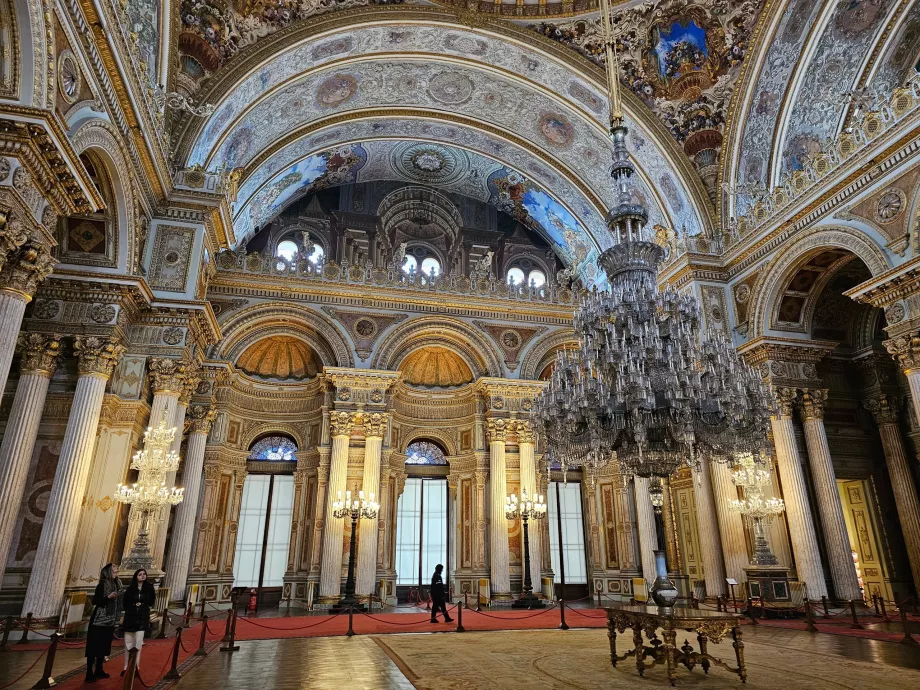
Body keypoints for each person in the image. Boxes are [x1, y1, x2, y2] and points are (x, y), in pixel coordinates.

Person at [85, 563, 122, 683]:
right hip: (99, 619)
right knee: (93, 646)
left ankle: (99, 669)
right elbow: (96, 601)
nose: (117, 570)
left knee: (104, 646)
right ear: (108, 571)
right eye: (114, 568)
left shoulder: (118, 584)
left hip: (110, 619)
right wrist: (108, 597)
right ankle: (89, 672)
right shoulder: (102, 585)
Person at [121, 568, 156, 676]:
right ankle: (126, 666)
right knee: (128, 644)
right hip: (130, 618)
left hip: (142, 618)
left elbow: (152, 601)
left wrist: (143, 606)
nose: (142, 576)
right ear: (136, 576)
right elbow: (125, 603)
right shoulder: (131, 589)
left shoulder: (149, 588)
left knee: (138, 643)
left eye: (144, 574)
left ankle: (136, 666)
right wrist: (133, 606)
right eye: (140, 574)